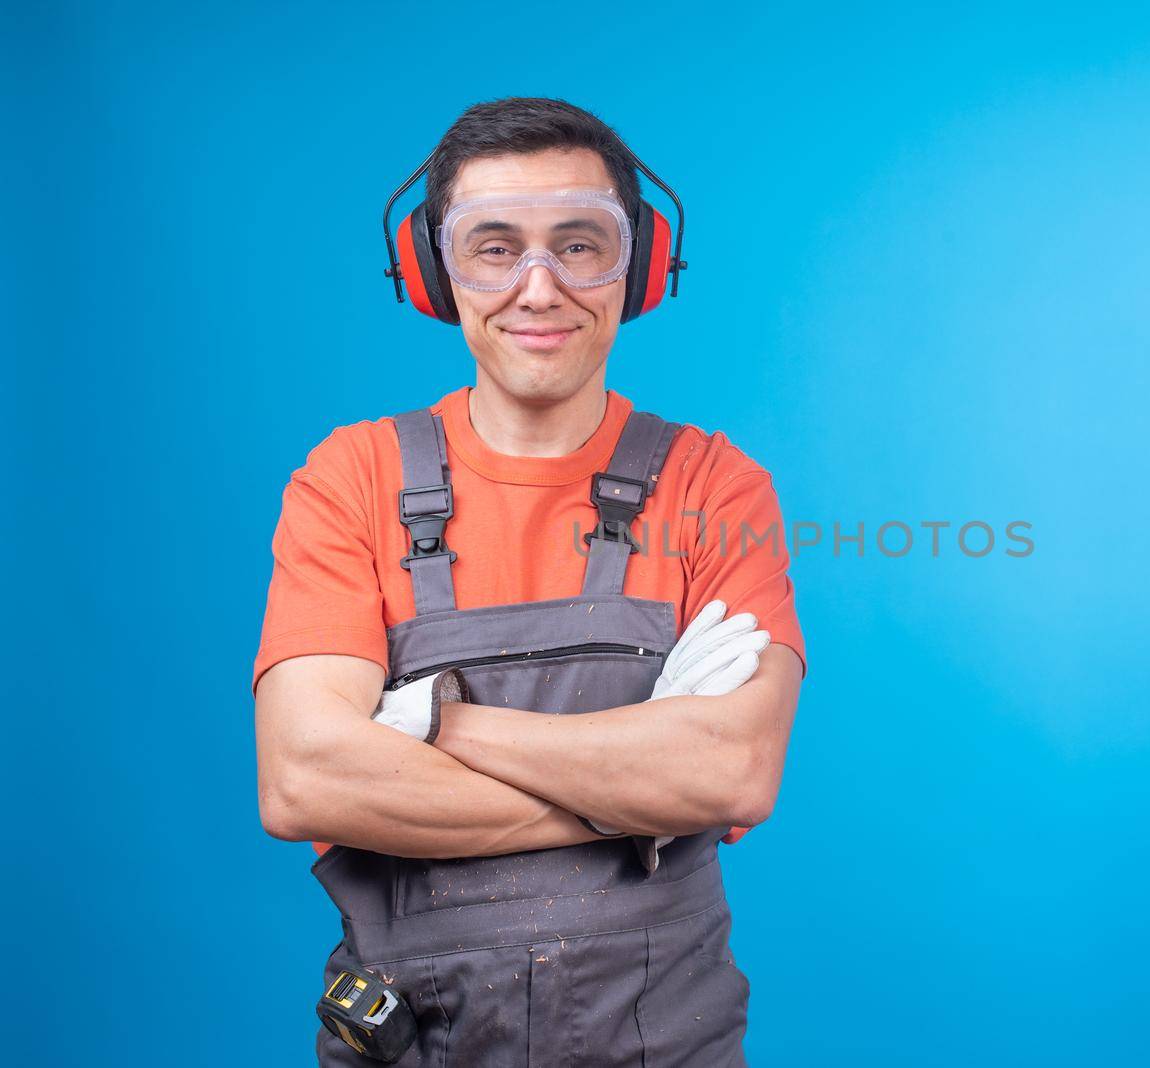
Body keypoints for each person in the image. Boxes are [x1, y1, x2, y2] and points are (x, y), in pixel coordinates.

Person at [251, 97, 805, 1066]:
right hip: (412, 1040)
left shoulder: (716, 486)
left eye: (580, 244)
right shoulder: (350, 479)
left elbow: (732, 774)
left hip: (663, 1041)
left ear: (637, 267)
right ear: (432, 272)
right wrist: (630, 798)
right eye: (495, 246)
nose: (539, 289)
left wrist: (437, 723)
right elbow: (304, 781)